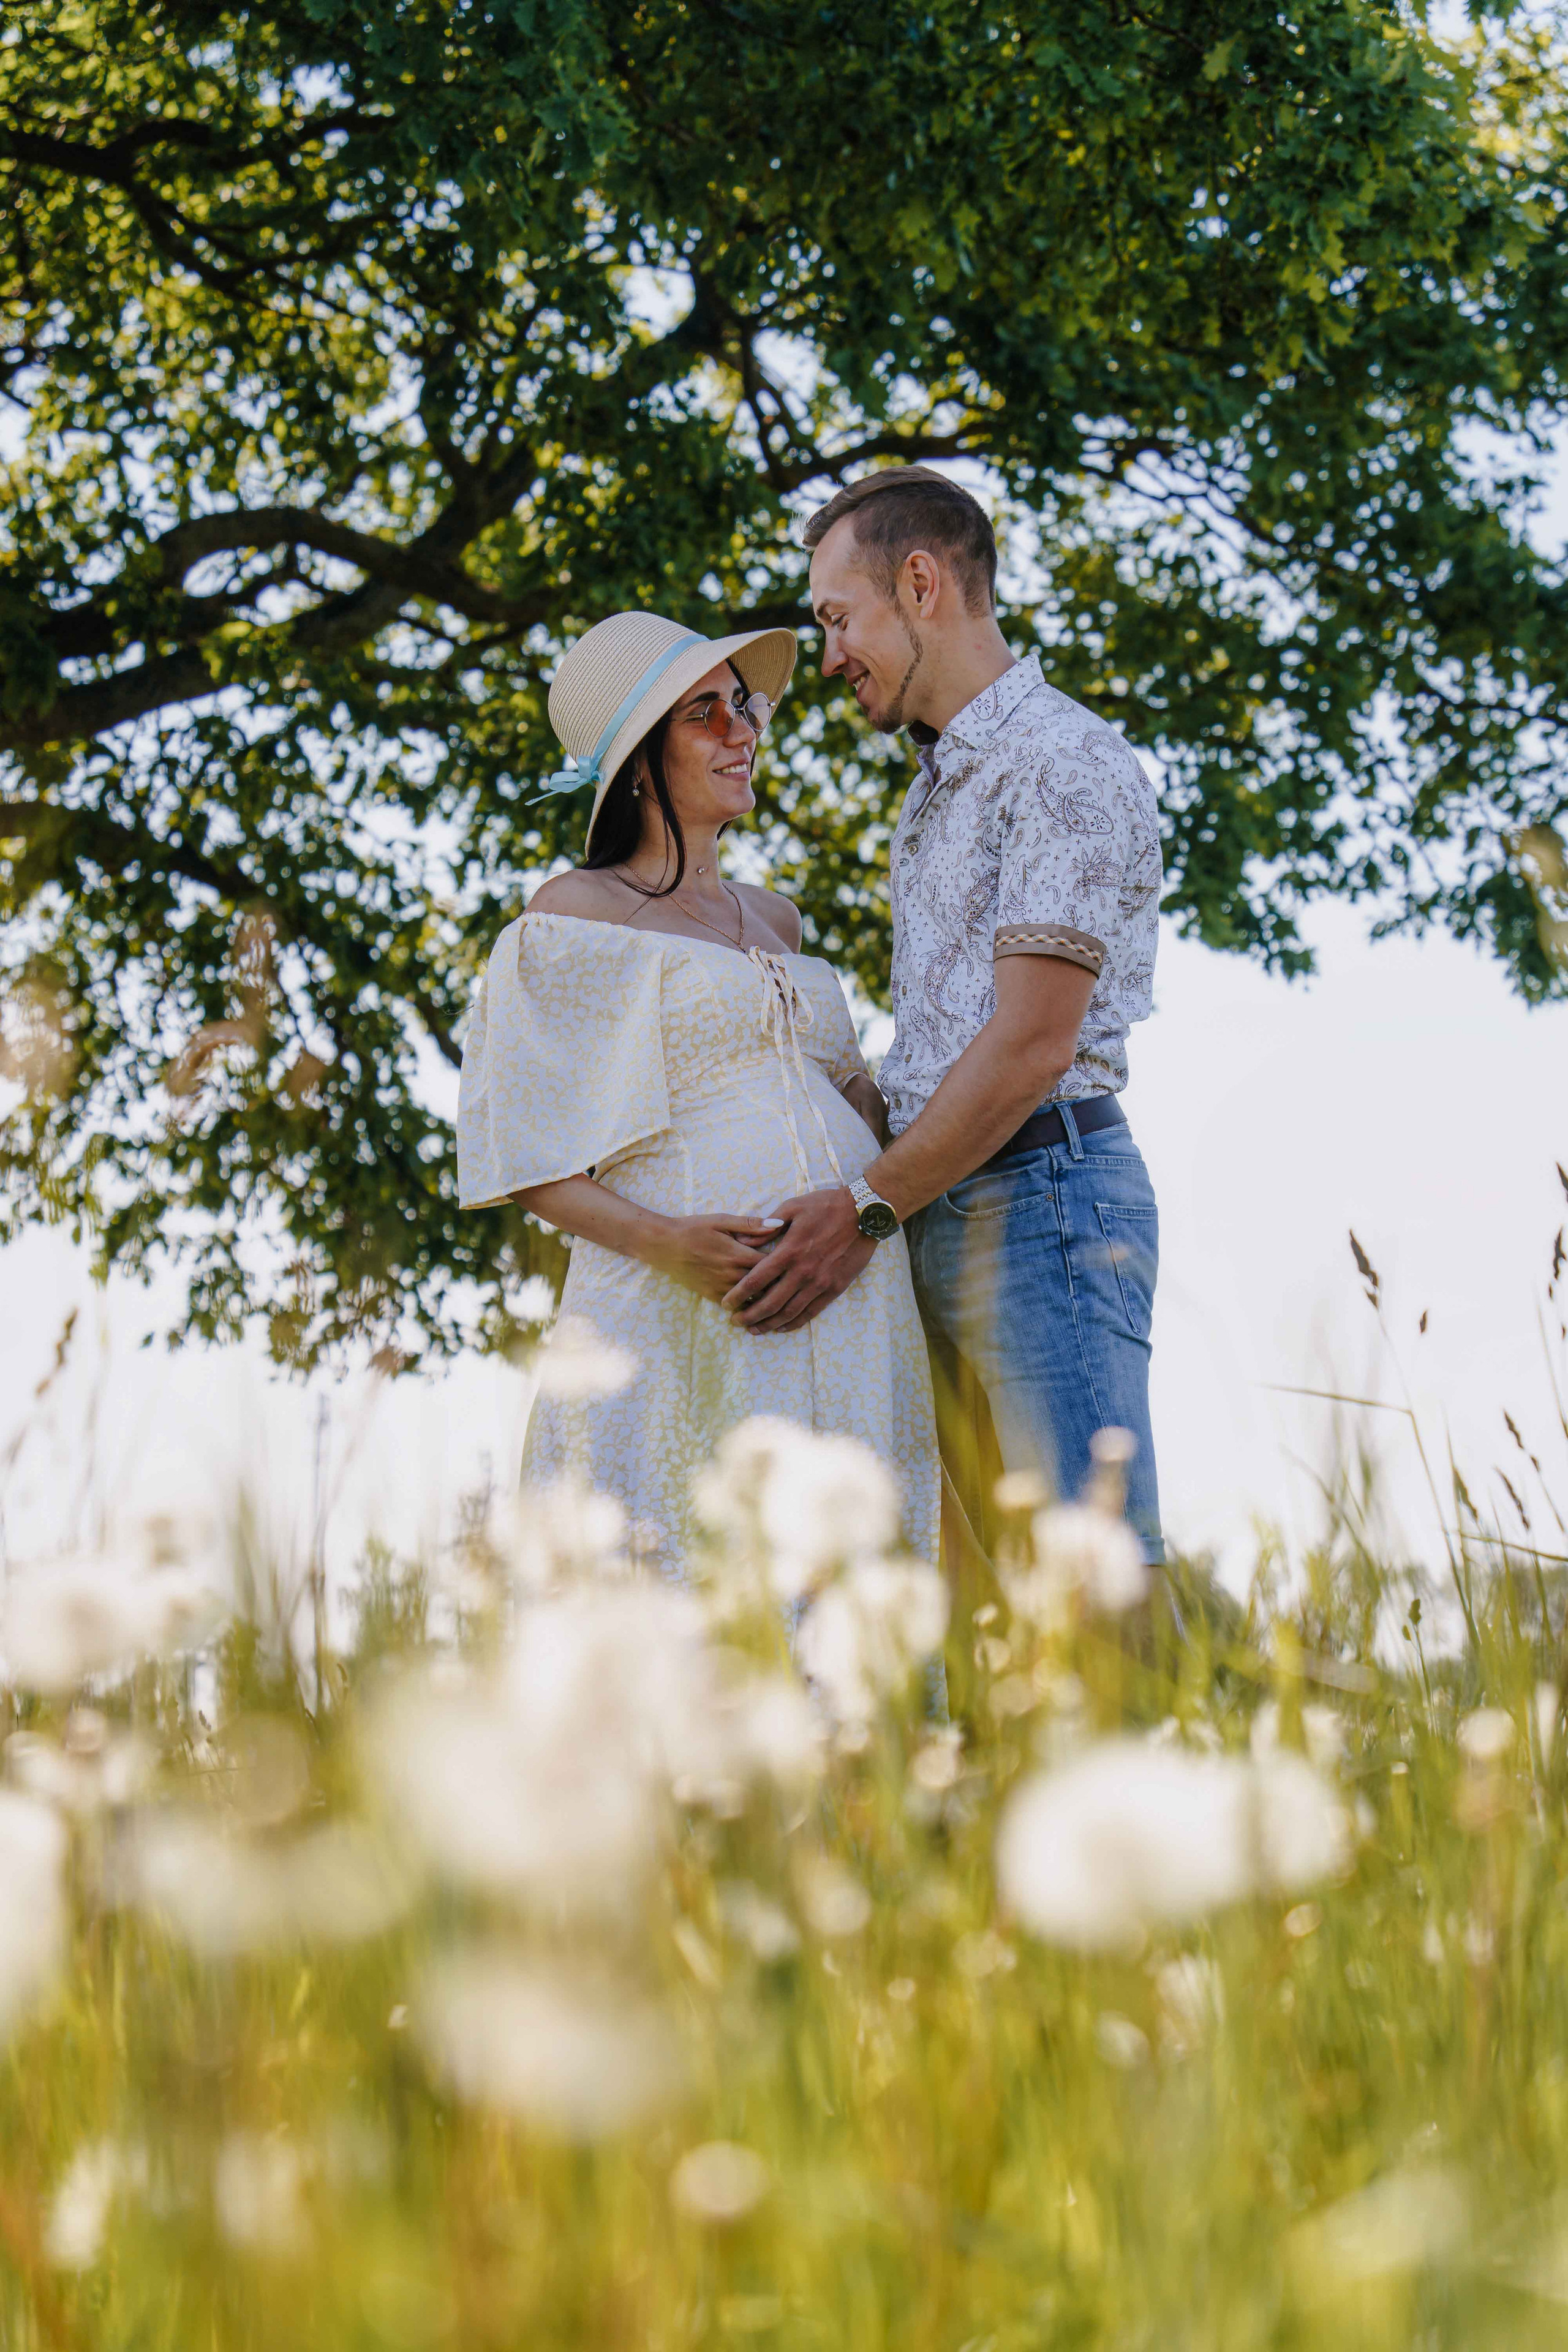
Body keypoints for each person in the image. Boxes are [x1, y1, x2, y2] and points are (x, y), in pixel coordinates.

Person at [724, 468, 1166, 1559]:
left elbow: (1030, 1044)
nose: (828, 659)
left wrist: (864, 1210)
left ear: (920, 584)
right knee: (1002, 1602)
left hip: (1042, 1208)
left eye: (837, 618)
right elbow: (939, 1047)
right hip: (945, 1208)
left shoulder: (1059, 763)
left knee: (1093, 1580)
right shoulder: (937, 791)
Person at [456, 609, 939, 1574]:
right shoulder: (573, 913)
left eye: (744, 707)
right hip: (685, 1297)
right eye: (705, 714)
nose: (743, 731)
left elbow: (857, 1110)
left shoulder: (780, 920)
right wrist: (669, 1244)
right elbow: (523, 1155)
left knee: (846, 1581)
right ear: (639, 761)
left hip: (851, 1289)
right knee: (695, 1564)